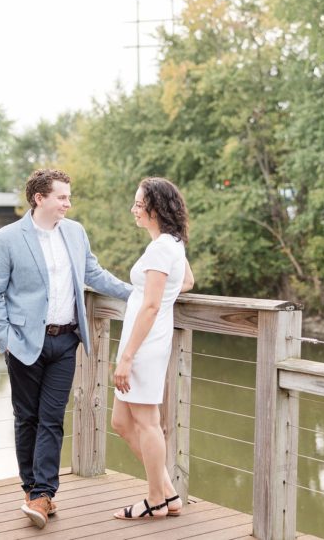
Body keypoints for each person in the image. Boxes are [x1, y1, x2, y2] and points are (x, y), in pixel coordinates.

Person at [0, 168, 131, 529]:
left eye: (68, 197)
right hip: (24, 343)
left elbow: (93, 273)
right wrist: (7, 340)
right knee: (26, 418)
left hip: (66, 341)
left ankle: (44, 494)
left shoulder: (75, 233)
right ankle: (32, 490)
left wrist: (136, 293)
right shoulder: (8, 238)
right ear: (40, 199)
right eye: (62, 197)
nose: (68, 203)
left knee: (52, 418)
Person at [110, 177, 195, 521]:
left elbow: (151, 305)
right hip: (141, 341)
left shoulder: (161, 249)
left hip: (143, 346)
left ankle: (155, 500)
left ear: (154, 208)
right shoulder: (170, 244)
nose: (133, 210)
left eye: (137, 204)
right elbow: (187, 281)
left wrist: (127, 356)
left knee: (147, 423)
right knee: (120, 421)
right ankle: (169, 494)